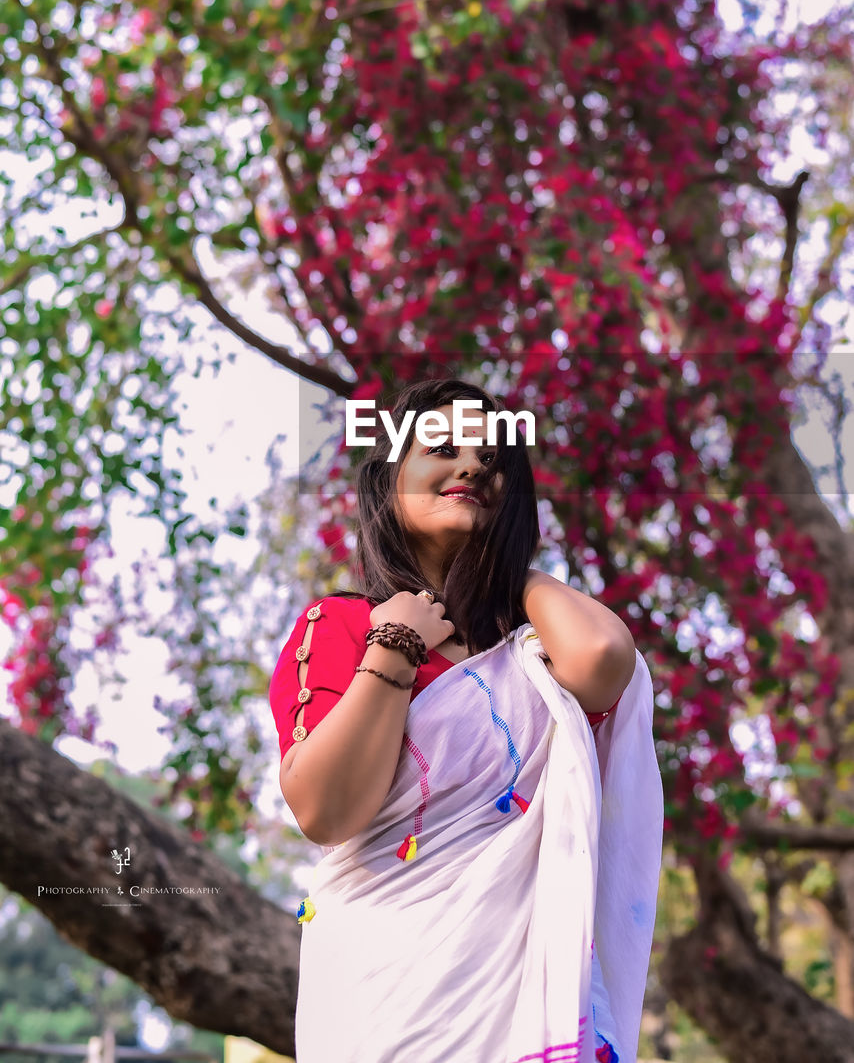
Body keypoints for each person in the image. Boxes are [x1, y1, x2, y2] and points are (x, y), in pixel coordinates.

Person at [269, 379, 663, 1063]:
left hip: (528, 1003)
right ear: (389, 482)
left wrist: (512, 575)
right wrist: (394, 647)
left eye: (494, 460)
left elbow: (602, 658)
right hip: (390, 1002)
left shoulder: (536, 657)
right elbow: (326, 809)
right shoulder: (341, 627)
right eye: (444, 448)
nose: (474, 465)